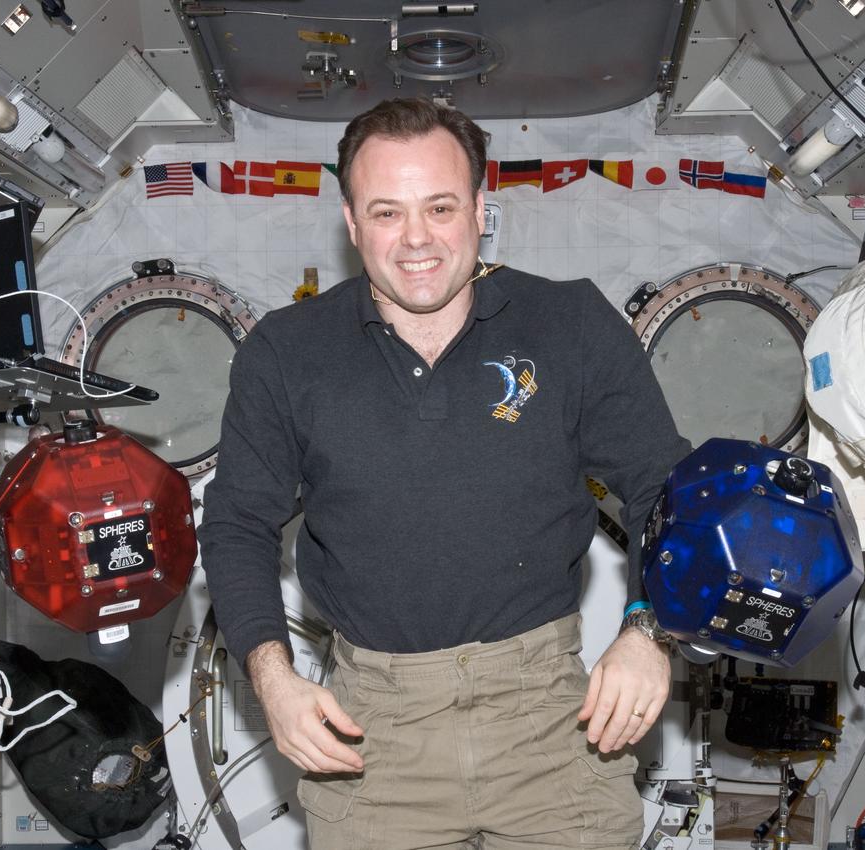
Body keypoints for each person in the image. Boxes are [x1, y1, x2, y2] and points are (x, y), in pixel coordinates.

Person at [200, 97, 692, 849]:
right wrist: (272, 678)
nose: (417, 239)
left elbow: (665, 483)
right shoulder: (286, 353)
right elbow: (236, 523)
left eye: (439, 206)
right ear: (351, 221)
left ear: (480, 207)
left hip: (551, 725)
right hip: (374, 732)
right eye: (387, 213)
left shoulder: (571, 324)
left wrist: (649, 630)